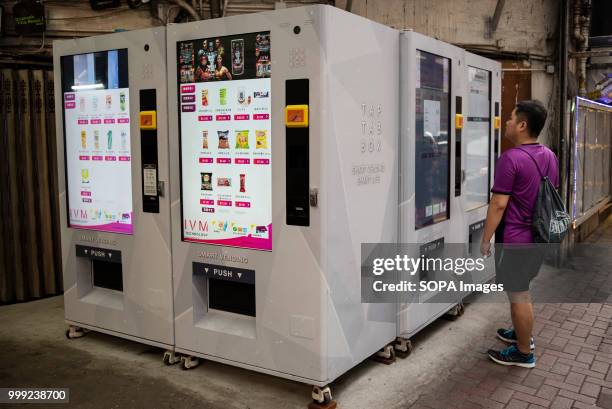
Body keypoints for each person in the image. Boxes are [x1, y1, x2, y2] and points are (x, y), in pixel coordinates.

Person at [480, 100, 559, 368]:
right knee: (521, 290)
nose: (507, 122)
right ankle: (521, 333)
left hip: (516, 240)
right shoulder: (549, 155)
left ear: (523, 125)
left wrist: (485, 238)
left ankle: (524, 352)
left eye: (511, 118)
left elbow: (498, 204)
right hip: (538, 238)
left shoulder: (511, 158)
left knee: (518, 294)